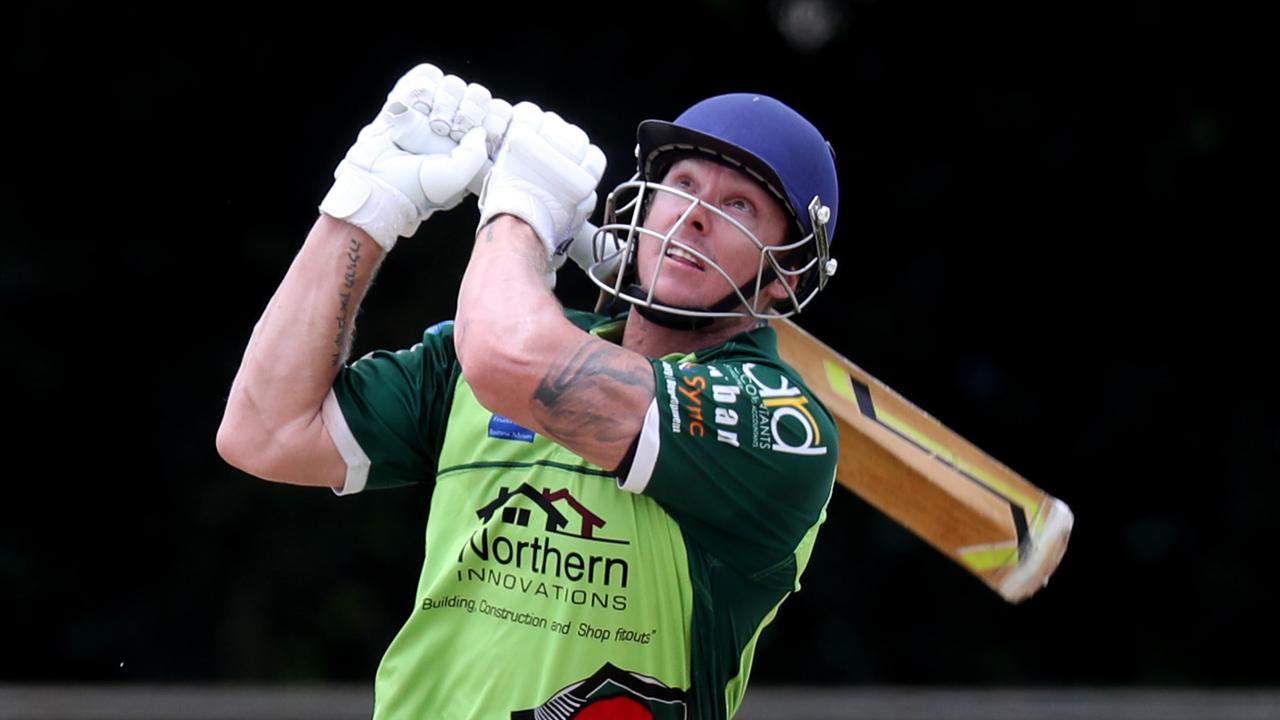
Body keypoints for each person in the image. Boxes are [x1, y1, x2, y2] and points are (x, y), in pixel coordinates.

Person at [217, 63, 840, 720]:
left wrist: (519, 211)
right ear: (646, 203)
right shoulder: (481, 355)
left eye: (738, 205)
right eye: (681, 184)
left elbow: (507, 359)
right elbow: (265, 431)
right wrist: (365, 208)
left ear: (789, 273)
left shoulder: (777, 419)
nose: (693, 217)